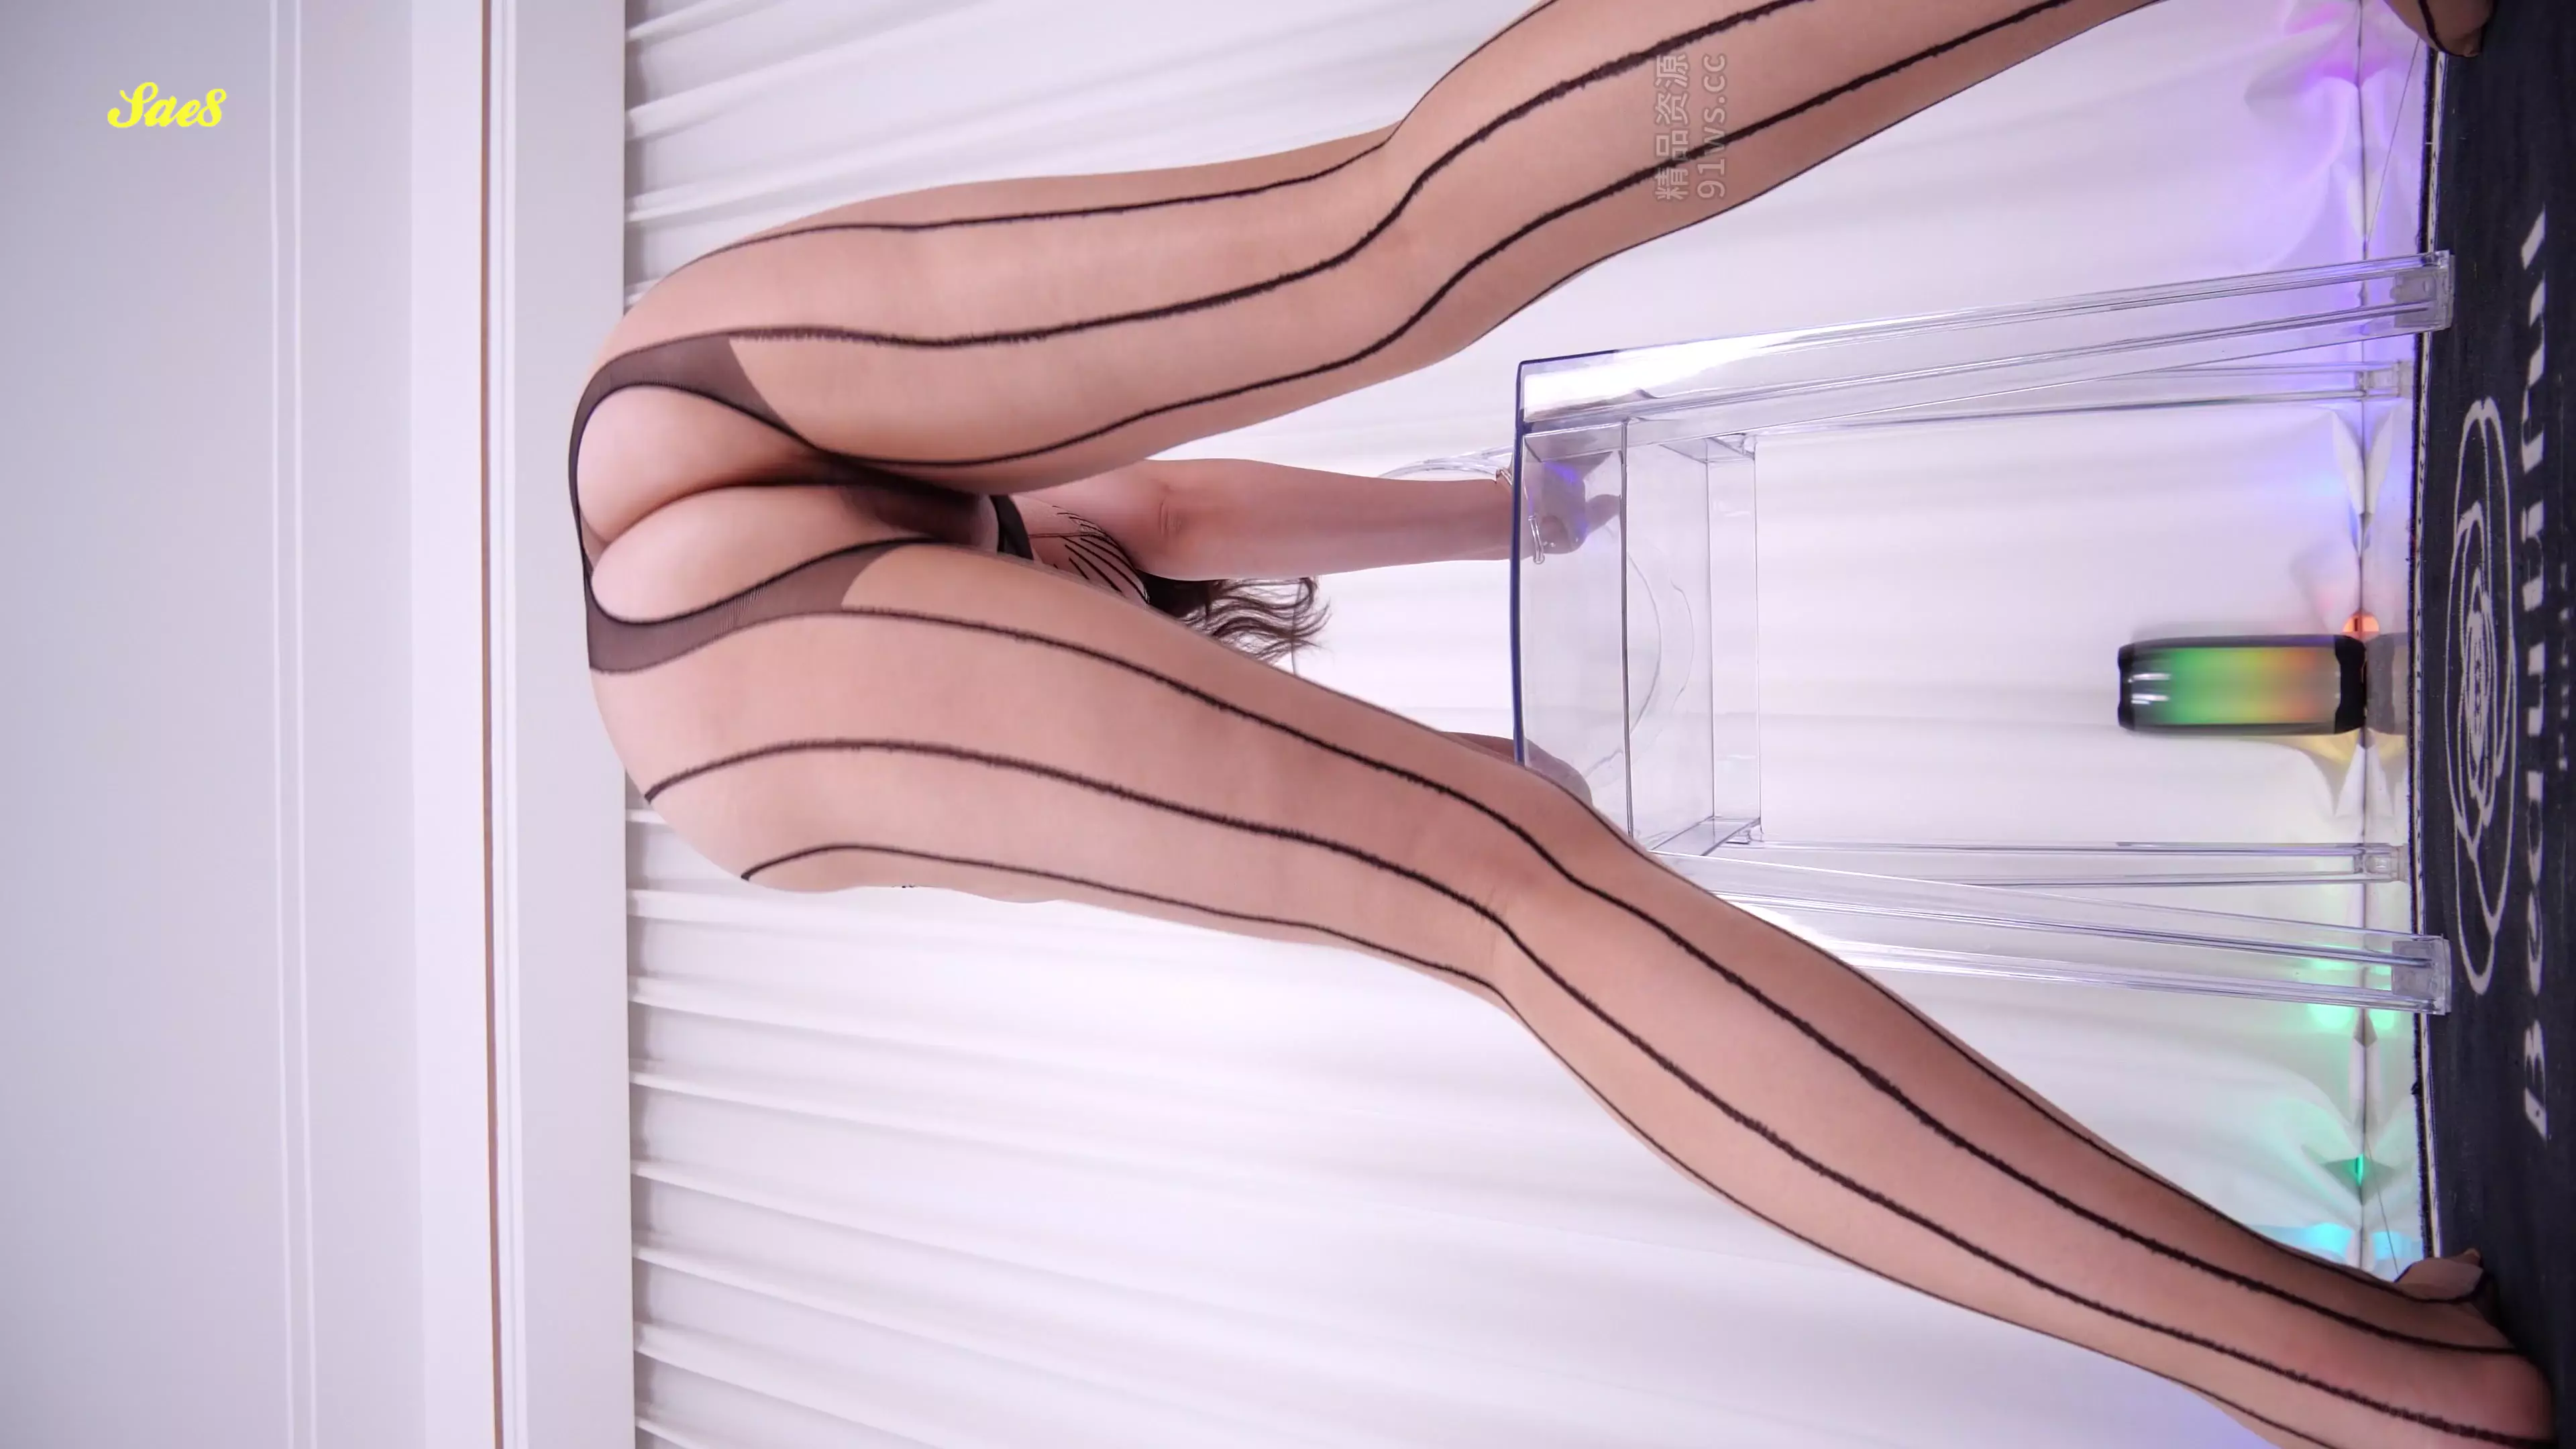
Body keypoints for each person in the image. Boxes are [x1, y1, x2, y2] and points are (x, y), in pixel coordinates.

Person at [570, 1, 2544, 1444]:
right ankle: (2334, 1371)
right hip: (680, 443)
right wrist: (1480, 552)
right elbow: (1144, 518)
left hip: (730, 708)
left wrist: (1489, 534)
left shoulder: (908, 625)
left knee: (1506, 886)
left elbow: (1140, 528)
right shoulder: (829, 512)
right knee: (1385, 238)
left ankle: (2337, 1370)